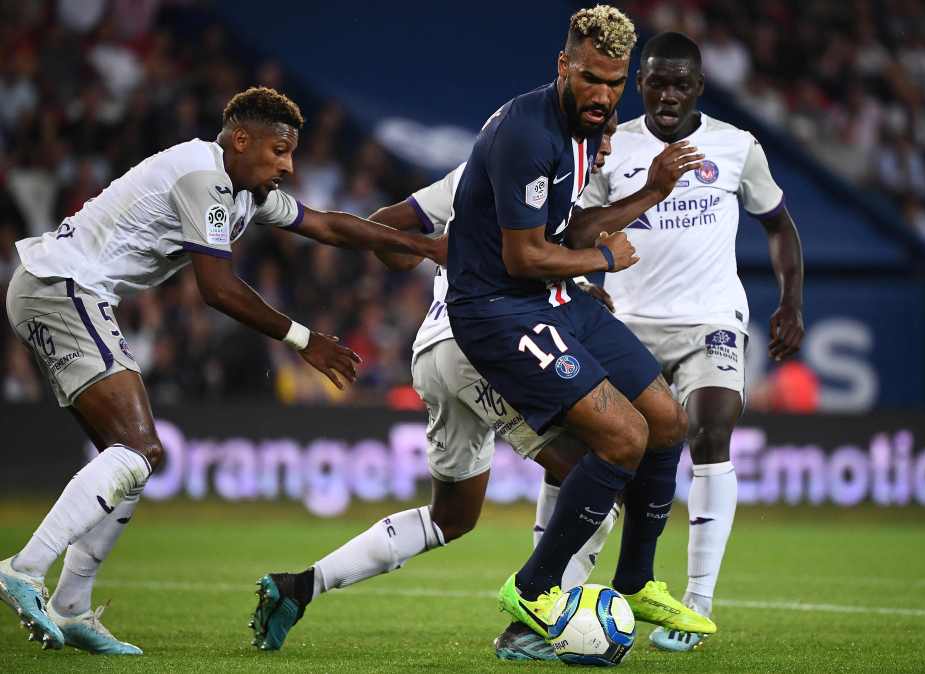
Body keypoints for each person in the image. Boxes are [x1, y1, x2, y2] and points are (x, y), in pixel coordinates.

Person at [248, 100, 710, 657]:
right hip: (479, 348)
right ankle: (536, 625)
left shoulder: (494, 171)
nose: (607, 144)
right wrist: (435, 250)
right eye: (604, 133)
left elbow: (393, 230)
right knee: (602, 467)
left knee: (453, 516)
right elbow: (404, 235)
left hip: (441, 348)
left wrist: (442, 253)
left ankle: (298, 587)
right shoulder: (528, 166)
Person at [0, 86, 444, 655]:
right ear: (241, 140)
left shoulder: (245, 193)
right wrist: (305, 340)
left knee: (131, 459)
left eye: (292, 153)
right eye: (279, 151)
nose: (288, 165)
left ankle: (72, 605)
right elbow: (216, 288)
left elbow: (330, 226)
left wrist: (424, 248)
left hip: (56, 290)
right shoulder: (203, 175)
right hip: (63, 288)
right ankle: (26, 569)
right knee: (138, 450)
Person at [442, 5, 713, 643]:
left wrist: (649, 194)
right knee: (622, 438)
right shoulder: (528, 136)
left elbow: (571, 231)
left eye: (615, 82)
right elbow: (524, 256)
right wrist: (604, 260)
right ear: (563, 66)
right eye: (590, 78)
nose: (602, 95)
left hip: (550, 297)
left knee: (668, 421)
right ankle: (532, 589)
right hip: (496, 311)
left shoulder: (588, 131)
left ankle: (637, 582)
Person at [559, 31, 806, 651]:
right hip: (628, 324)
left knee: (711, 430)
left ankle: (694, 602)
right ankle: (557, 593)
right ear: (640, 84)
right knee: (597, 448)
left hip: (711, 320)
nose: (668, 94)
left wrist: (791, 302)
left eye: (681, 84)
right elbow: (578, 228)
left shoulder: (736, 146)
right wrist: (591, 271)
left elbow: (779, 225)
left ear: (699, 87)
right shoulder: (611, 148)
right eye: (657, 82)